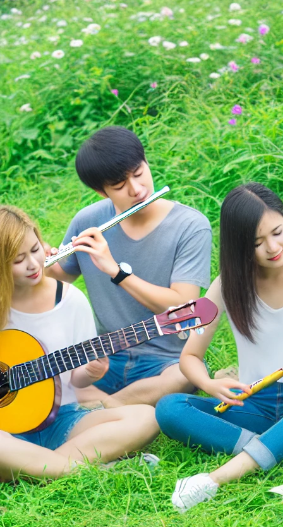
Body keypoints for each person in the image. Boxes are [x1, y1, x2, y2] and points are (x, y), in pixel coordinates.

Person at [155, 183, 283, 513]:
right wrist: (209, 384)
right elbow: (189, 357)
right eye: (256, 243)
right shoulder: (227, 285)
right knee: (169, 408)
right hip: (254, 403)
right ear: (238, 247)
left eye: (277, 232)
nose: (272, 247)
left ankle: (216, 478)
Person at [46, 126, 212, 407]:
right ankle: (113, 404)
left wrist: (116, 271)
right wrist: (44, 262)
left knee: (185, 376)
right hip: (105, 354)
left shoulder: (191, 226)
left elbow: (183, 307)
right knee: (51, 375)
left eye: (138, 173)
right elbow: (62, 276)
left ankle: (105, 407)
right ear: (101, 191)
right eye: (120, 186)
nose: (137, 189)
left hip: (164, 359)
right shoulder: (89, 220)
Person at [0, 206, 158, 480]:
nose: (34, 265)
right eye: (18, 260)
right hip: (6, 432)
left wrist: (91, 372)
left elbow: (77, 382)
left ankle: (36, 469)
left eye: (35, 250)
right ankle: (86, 470)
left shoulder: (71, 301)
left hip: (62, 419)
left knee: (146, 417)